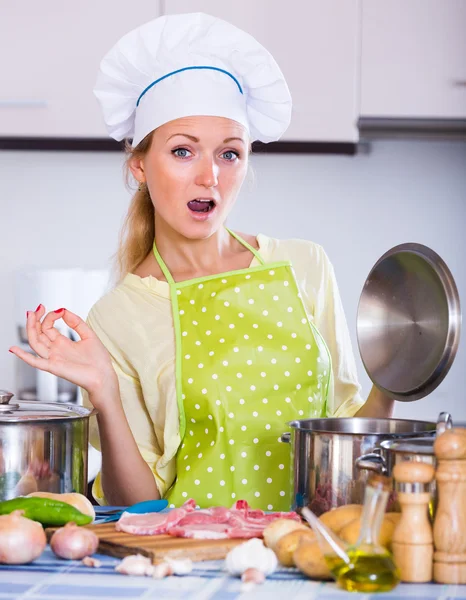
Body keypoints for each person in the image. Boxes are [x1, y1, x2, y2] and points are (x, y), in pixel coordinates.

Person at [9, 12, 393, 511]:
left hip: (312, 553)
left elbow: (349, 433)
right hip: (190, 563)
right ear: (141, 166)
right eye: (183, 151)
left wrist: (395, 375)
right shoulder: (119, 315)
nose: (210, 176)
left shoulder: (305, 265)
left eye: (229, 154)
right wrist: (102, 389)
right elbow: (137, 504)